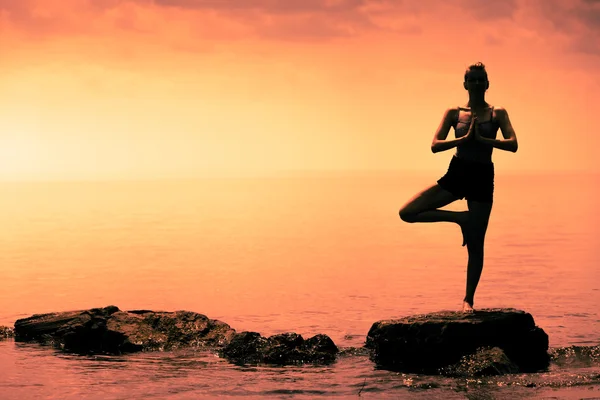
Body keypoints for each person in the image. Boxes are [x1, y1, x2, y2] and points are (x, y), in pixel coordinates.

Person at [398, 62, 519, 313]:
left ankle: (468, 300)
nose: (475, 83)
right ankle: (460, 219)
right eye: (471, 79)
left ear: (487, 84)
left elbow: (513, 143)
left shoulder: (498, 113)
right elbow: (435, 144)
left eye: (480, 79)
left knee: (476, 244)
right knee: (407, 212)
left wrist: (484, 139)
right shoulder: (454, 112)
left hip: (483, 176)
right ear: (465, 83)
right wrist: (463, 139)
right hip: (458, 172)